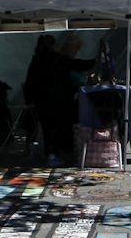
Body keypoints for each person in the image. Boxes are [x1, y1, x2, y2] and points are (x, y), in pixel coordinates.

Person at [24, 34, 94, 166]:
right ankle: (53, 155)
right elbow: (77, 65)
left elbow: (29, 82)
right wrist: (96, 60)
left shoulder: (36, 59)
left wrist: (30, 100)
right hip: (57, 99)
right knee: (56, 128)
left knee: (47, 129)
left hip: (41, 100)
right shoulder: (56, 58)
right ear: (52, 45)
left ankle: (51, 155)